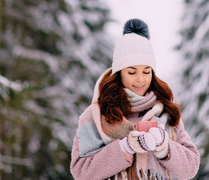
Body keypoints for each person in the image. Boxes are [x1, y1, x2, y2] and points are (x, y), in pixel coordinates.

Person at [70, 19, 200, 180]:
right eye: (132, 72)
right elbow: (80, 171)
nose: (140, 80)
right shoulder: (95, 115)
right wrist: (125, 147)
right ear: (119, 73)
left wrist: (164, 147)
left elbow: (190, 169)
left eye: (146, 72)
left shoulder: (165, 111)